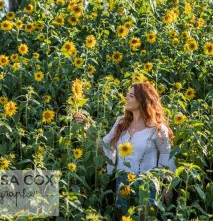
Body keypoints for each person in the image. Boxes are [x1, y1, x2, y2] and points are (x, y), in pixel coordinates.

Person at [74, 82, 176, 220]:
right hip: (123, 182)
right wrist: (87, 126)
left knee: (144, 217)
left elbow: (167, 158)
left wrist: (166, 188)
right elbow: (104, 146)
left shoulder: (157, 129)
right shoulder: (121, 122)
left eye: (131, 95)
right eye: (127, 94)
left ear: (142, 100)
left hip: (146, 184)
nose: (126, 97)